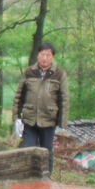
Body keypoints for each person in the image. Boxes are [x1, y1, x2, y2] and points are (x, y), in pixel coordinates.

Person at [12, 42, 68, 173]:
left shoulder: (59, 74)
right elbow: (19, 95)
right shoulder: (29, 72)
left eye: (48, 55)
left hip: (49, 120)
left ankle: (46, 178)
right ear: (38, 55)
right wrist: (16, 118)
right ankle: (28, 177)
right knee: (28, 150)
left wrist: (62, 125)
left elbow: (64, 100)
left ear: (53, 57)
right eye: (42, 54)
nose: (45, 58)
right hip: (30, 119)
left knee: (46, 152)